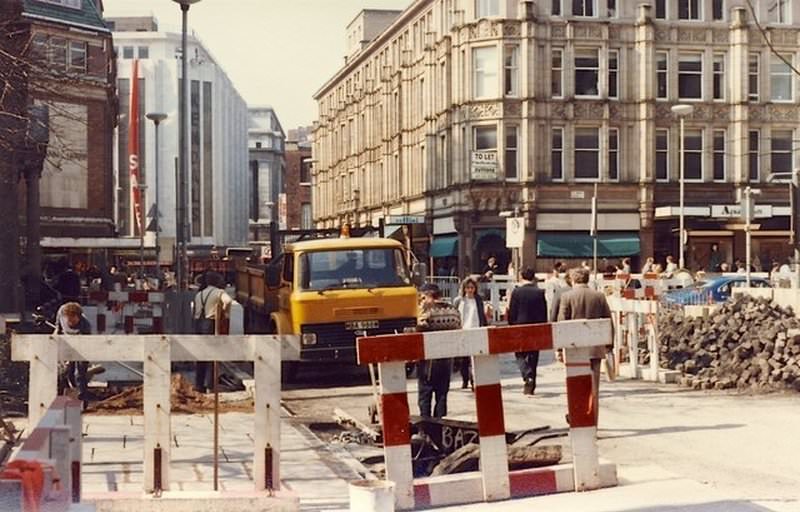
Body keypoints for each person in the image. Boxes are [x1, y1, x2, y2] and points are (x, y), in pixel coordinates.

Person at [557, 268, 612, 424]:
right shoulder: (599, 296)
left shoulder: (567, 297)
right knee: (594, 389)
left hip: (574, 348)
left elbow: (562, 323)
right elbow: (608, 320)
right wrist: (609, 345)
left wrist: (559, 348)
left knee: (575, 385)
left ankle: (577, 418)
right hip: (595, 347)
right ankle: (593, 422)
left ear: (573, 280)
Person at [416, 284, 461, 417]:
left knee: (425, 395)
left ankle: (426, 426)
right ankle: (440, 425)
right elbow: (459, 332)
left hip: (429, 361)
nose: (422, 301)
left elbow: (419, 329)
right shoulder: (453, 310)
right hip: (447, 359)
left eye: (423, 297)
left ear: (429, 295)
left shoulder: (426, 310)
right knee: (442, 395)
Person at [507, 268, 548, 396]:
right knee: (533, 355)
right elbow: (543, 311)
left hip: (520, 326)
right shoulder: (539, 292)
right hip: (535, 327)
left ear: (521, 276)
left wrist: (511, 324)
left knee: (519, 353)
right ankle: (531, 386)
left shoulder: (517, 292)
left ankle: (526, 374)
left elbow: (512, 311)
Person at [193, 271, 233, 392]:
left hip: (198, 324)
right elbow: (228, 301)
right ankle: (210, 385)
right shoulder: (219, 292)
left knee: (200, 356)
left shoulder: (199, 294)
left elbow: (195, 310)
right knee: (212, 354)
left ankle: (199, 385)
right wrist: (225, 313)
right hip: (210, 324)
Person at [452, 277, 488, 389]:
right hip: (463, 330)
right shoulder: (459, 300)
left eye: (472, 288)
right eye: (468, 288)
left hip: (476, 329)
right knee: (464, 358)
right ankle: (465, 379)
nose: (470, 290)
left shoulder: (478, 300)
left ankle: (474, 380)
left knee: (475, 357)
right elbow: (455, 315)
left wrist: (484, 326)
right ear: (464, 288)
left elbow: (482, 314)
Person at [54, 302, 93, 402]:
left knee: (79, 374)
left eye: (73, 320)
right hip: (67, 346)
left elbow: (87, 344)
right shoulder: (61, 312)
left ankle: (82, 398)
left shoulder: (85, 325)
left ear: (78, 317)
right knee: (66, 373)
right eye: (69, 319)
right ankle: (69, 397)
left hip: (81, 348)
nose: (70, 322)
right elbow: (58, 329)